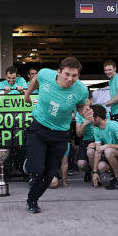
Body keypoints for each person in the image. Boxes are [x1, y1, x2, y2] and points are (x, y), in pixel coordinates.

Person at [22, 57, 90, 213]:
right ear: (58, 72)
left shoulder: (80, 89)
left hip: (60, 134)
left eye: (74, 76)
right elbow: (35, 79)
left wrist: (85, 111)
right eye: (67, 74)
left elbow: (81, 105)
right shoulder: (46, 74)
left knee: (50, 174)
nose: (70, 79)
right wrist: (27, 95)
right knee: (37, 168)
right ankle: (30, 164)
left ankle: (32, 200)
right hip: (39, 128)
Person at [88, 104, 118, 189]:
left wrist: (107, 145)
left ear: (97, 118)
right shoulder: (96, 129)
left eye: (91, 118)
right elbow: (98, 150)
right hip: (115, 153)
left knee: (108, 150)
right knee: (101, 166)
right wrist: (95, 172)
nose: (89, 120)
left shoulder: (113, 125)